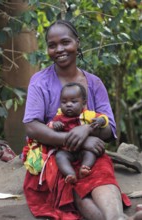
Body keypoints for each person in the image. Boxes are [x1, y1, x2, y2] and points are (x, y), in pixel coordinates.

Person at [22, 20, 142, 220]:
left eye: (65, 42)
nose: (59, 49)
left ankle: (117, 217)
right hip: (56, 154)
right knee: (74, 185)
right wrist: (73, 138)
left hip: (90, 154)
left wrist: (86, 131)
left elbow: (110, 129)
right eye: (52, 45)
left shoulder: (94, 83)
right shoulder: (40, 81)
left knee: (102, 174)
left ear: (77, 43)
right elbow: (32, 127)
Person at [48, 82, 109, 184]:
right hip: (67, 150)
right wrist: (55, 125)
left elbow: (104, 118)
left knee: (90, 153)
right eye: (64, 102)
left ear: (83, 102)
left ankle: (85, 168)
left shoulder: (88, 115)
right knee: (59, 156)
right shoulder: (59, 117)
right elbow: (49, 126)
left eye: (74, 101)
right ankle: (70, 174)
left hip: (84, 149)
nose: (68, 104)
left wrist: (100, 121)